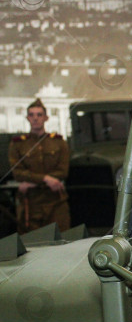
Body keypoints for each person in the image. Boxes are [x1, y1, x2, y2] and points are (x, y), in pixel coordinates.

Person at [8, 98, 70, 234]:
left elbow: (62, 171)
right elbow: (17, 173)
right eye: (31, 115)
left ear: (46, 118)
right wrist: (46, 179)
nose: (35, 118)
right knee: (31, 244)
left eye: (39, 115)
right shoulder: (18, 144)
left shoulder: (59, 142)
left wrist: (31, 182)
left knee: (62, 241)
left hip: (55, 201)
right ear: (27, 118)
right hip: (30, 203)